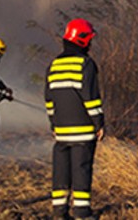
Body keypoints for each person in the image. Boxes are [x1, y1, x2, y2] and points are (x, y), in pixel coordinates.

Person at [45, 19, 105, 219]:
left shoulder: (53, 65)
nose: (90, 44)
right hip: (83, 131)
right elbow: (91, 98)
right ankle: (81, 212)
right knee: (81, 169)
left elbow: (49, 100)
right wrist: (99, 123)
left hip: (61, 131)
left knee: (61, 170)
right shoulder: (86, 64)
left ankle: (59, 212)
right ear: (82, 40)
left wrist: (53, 124)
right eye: (89, 40)